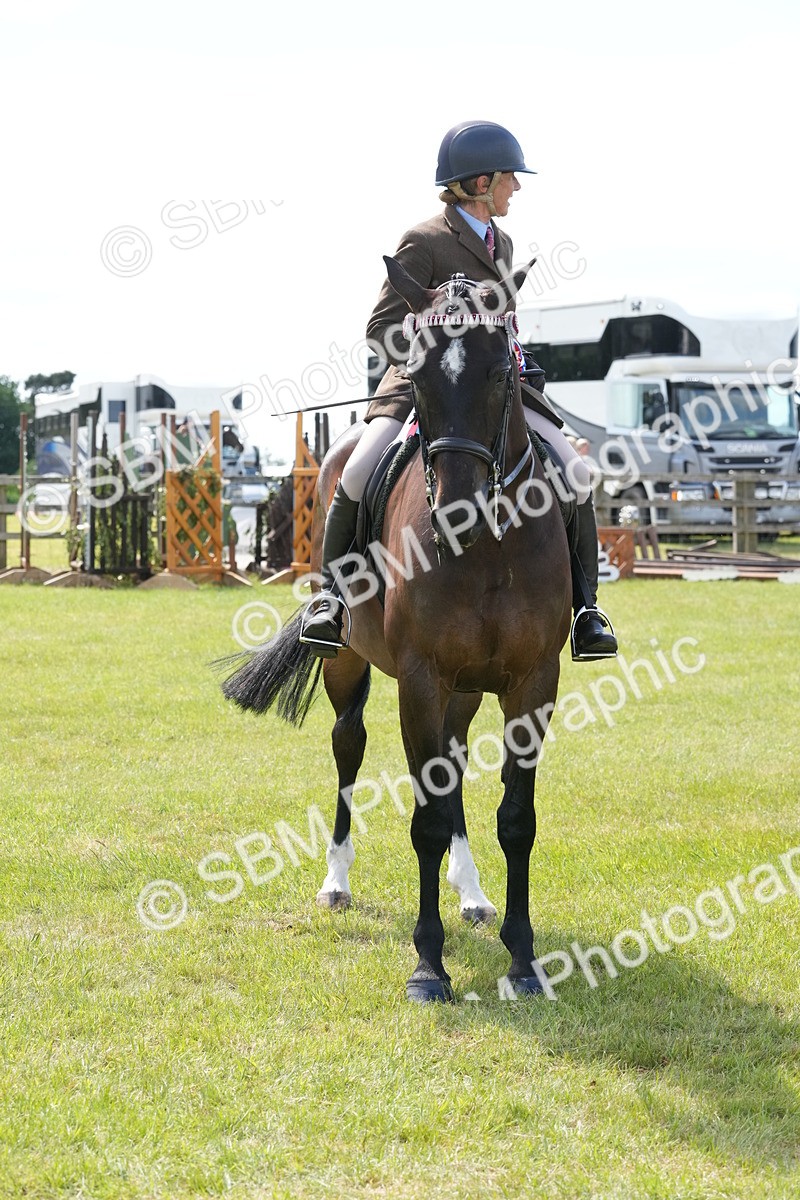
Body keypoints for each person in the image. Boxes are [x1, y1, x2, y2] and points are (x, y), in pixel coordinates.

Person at [301, 119, 617, 662]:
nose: (516, 187)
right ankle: (332, 599)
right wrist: (434, 359)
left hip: (497, 390)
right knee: (356, 470)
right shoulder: (423, 241)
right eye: (509, 178)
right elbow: (380, 328)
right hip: (423, 388)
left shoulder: (505, 243)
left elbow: (502, 326)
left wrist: (512, 358)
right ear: (478, 182)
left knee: (576, 472)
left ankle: (587, 609)